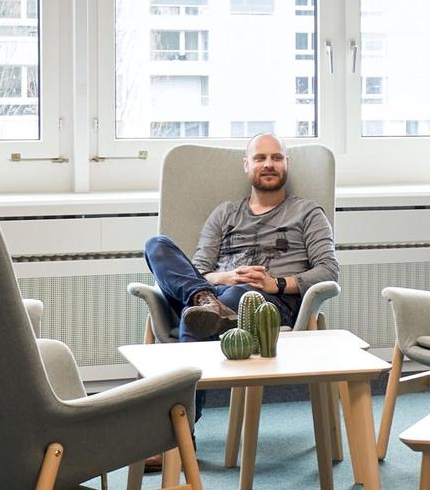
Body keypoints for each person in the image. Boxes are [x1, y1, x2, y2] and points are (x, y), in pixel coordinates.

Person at [143, 133, 339, 344]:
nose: (269, 164)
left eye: (276, 158)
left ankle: (200, 335)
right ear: (247, 164)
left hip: (269, 303)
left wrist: (276, 284)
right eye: (260, 158)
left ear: (286, 163)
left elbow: (328, 270)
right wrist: (226, 277)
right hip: (213, 292)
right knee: (156, 245)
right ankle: (207, 303)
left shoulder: (308, 213)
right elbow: (199, 271)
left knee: (209, 311)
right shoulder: (224, 213)